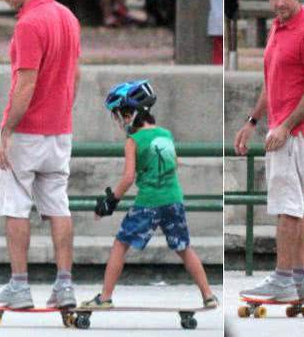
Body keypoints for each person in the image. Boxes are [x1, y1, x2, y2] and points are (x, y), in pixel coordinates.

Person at [0, 0, 81, 309]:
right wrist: (63, 111)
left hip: (26, 130)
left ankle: (19, 285)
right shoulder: (68, 17)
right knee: (58, 206)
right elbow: (76, 74)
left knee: (15, 207)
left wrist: (6, 132)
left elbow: (25, 85)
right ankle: (65, 285)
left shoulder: (28, 24)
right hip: (59, 129)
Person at [235, 0, 304, 303]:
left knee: (287, 206)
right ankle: (300, 279)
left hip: (296, 134)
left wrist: (286, 126)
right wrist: (253, 120)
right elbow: (272, 82)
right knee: (298, 205)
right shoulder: (277, 28)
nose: (279, 3)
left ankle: (282, 279)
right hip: (281, 128)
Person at [80, 80, 218, 309]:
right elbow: (175, 162)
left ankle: (105, 297)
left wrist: (110, 201)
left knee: (120, 245)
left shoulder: (133, 141)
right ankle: (208, 295)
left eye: (119, 115)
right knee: (184, 247)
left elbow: (128, 178)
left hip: (148, 202)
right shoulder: (166, 134)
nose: (119, 120)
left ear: (130, 114)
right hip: (174, 199)